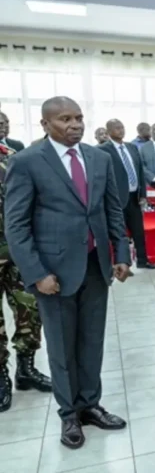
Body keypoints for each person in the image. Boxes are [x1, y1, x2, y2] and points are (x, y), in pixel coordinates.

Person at [4, 96, 132, 449]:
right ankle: (69, 415)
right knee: (61, 346)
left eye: (79, 117)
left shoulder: (99, 158)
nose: (75, 125)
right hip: (53, 272)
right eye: (65, 119)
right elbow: (16, 225)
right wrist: (36, 272)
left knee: (92, 340)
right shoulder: (27, 162)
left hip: (95, 266)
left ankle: (90, 404)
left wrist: (120, 253)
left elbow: (112, 211)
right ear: (45, 124)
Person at [0, 141, 52, 413]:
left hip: (18, 250)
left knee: (30, 309)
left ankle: (26, 369)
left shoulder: (14, 159)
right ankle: (1, 378)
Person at [99, 119, 155, 270]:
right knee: (119, 233)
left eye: (122, 127)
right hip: (116, 199)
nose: (121, 130)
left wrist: (143, 194)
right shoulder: (102, 150)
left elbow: (139, 171)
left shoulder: (132, 147)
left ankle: (143, 261)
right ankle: (122, 263)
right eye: (117, 128)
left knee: (139, 231)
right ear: (109, 131)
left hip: (134, 198)